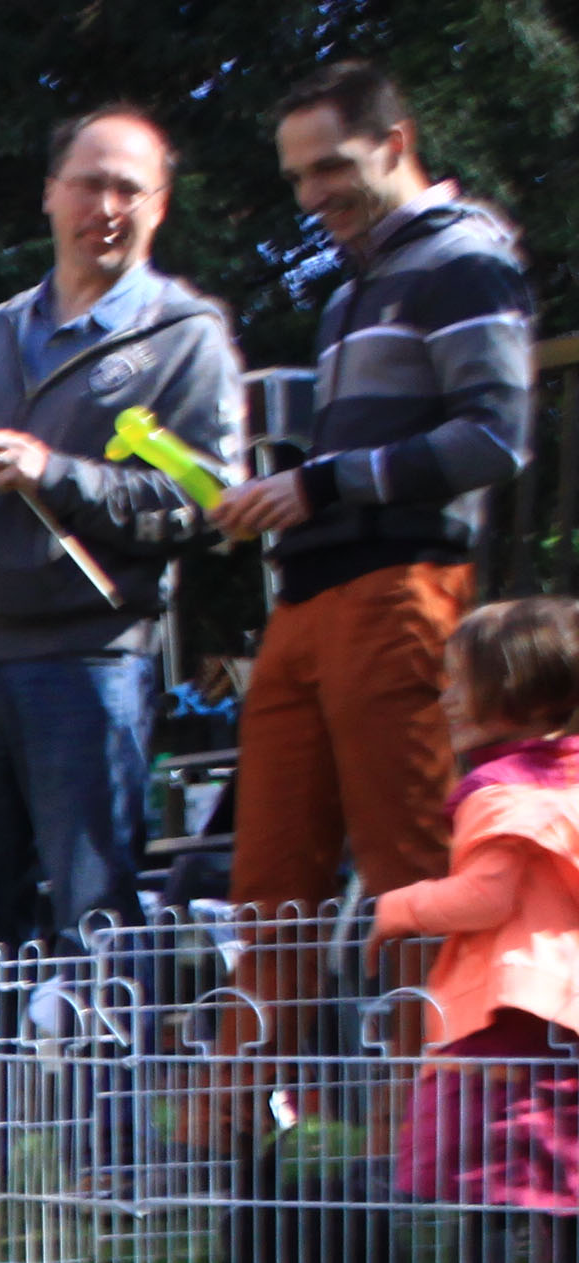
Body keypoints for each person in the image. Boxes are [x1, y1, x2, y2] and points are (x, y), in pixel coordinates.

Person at [215, 63, 533, 1088]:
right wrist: (280, 494)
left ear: (397, 139)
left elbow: (498, 438)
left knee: (413, 879)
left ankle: (439, 1137)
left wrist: (320, 484)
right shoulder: (351, 288)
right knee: (268, 886)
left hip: (405, 593)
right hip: (309, 604)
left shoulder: (466, 262)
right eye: (298, 178)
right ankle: (246, 1153)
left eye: (332, 169)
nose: (312, 197)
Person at [0, 108, 240, 966]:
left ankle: (102, 1108)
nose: (107, 205)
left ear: (160, 208)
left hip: (92, 660)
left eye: (130, 188)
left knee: (95, 921)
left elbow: (207, 501)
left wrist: (58, 474)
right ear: (50, 194)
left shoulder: (185, 336)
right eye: (90, 183)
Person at [378, 597, 579, 1263]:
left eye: (461, 683)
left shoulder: (497, 791)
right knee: (562, 1175)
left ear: (519, 696)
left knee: (489, 1194)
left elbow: (489, 897)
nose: (448, 700)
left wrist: (399, 907)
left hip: (507, 1017)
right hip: (566, 1014)